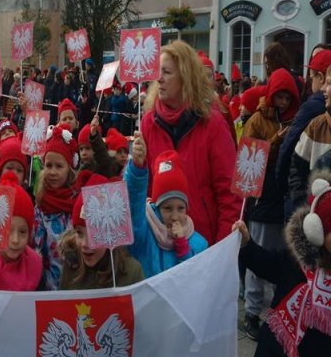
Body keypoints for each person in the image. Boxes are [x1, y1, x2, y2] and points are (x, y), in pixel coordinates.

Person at [141, 40, 239, 247]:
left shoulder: (212, 124)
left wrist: (221, 248)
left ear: (185, 77)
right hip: (160, 245)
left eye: (166, 72)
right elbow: (145, 189)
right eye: (158, 72)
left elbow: (229, 193)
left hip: (203, 244)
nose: (158, 78)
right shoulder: (149, 123)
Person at [233, 178, 331, 356]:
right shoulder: (299, 261)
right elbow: (268, 264)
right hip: (275, 348)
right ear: (318, 231)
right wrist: (247, 245)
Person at [242, 67, 301, 340]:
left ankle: (276, 310)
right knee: (257, 253)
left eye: (288, 99)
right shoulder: (257, 119)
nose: (284, 104)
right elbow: (248, 157)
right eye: (280, 97)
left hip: (282, 198)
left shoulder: (295, 119)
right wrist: (273, 142)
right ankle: (251, 312)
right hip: (262, 196)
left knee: (278, 257)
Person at [128, 146, 208, 278]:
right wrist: (137, 170)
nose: (175, 216)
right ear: (157, 207)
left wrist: (182, 247)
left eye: (181, 208)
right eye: (167, 208)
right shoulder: (145, 234)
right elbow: (133, 204)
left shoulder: (199, 244)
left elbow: (196, 281)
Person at [58, 173, 144, 290]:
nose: (84, 244)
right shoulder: (71, 267)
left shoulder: (132, 272)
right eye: (79, 233)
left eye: (94, 234)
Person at [279, 50, 331, 218]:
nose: (323, 88)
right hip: (314, 217)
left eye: (313, 76)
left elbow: (287, 152)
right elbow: (298, 167)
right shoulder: (317, 124)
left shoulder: (311, 108)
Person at [33, 125, 79, 290]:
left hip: (76, 287)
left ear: (70, 168)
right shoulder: (40, 206)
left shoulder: (78, 203)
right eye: (48, 165)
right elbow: (35, 248)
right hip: (49, 288)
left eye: (59, 166)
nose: (52, 172)